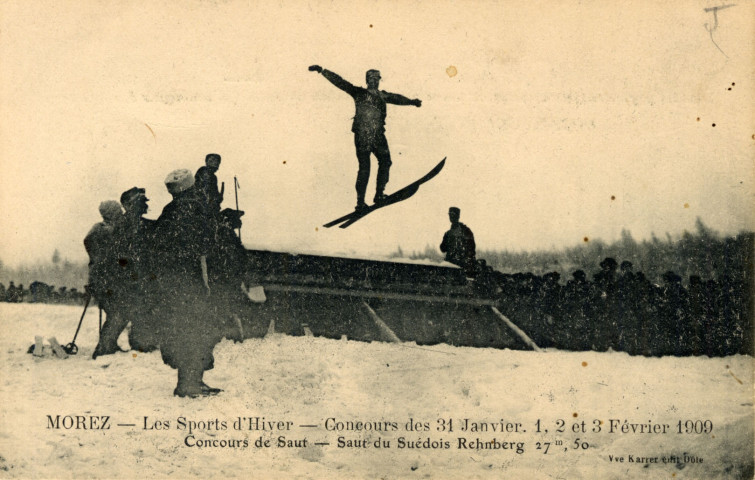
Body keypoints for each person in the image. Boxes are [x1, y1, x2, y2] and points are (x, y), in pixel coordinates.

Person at [151, 169, 229, 397]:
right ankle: (190, 383)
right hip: (191, 279)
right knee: (197, 329)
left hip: (170, 281)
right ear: (192, 187)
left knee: (182, 329)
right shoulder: (196, 208)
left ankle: (189, 380)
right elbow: (207, 243)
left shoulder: (168, 211)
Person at [309, 65, 422, 211]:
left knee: (386, 162)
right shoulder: (358, 92)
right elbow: (341, 82)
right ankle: (360, 202)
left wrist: (412, 102)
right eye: (372, 79)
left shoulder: (383, 96)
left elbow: (397, 98)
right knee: (364, 168)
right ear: (367, 80)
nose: (375, 81)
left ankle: (379, 194)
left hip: (378, 135)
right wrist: (323, 71)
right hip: (363, 135)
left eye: (377, 79)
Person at [440, 207, 477, 275]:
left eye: (453, 215)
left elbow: (471, 249)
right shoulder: (448, 233)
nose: (451, 217)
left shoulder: (465, 231)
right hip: (451, 266)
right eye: (450, 215)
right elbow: (443, 248)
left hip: (462, 267)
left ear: (458, 216)